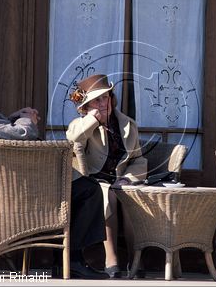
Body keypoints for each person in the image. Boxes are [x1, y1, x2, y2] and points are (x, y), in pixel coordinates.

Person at [0, 54, 108, 279]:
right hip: (12, 194)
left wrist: (12, 118)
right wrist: (27, 119)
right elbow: (24, 136)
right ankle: (73, 260)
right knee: (89, 189)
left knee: (79, 188)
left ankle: (64, 261)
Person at [66, 74, 148, 279]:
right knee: (108, 195)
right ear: (86, 106)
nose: (103, 103)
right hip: (94, 182)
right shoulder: (81, 124)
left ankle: (134, 260)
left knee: (130, 198)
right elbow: (72, 138)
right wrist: (92, 120)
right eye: (97, 100)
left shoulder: (128, 125)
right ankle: (111, 261)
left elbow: (138, 159)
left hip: (123, 180)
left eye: (106, 97)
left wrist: (128, 178)